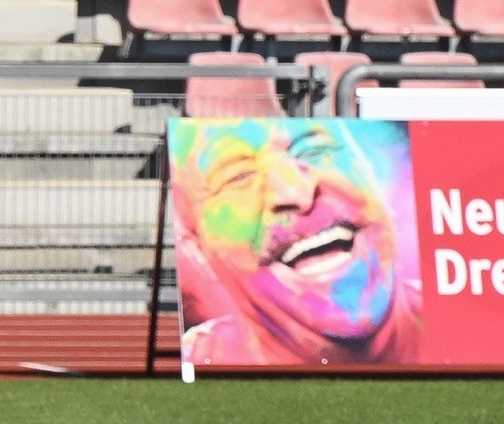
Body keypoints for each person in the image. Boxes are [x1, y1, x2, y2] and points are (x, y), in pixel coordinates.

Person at [170, 118, 420, 369]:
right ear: (196, 250)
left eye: (314, 151)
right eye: (238, 177)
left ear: (368, 170)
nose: (296, 192)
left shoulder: (447, 316)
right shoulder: (201, 360)